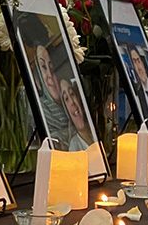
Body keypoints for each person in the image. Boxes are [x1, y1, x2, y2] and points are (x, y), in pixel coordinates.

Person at [17, 14, 71, 146]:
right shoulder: (34, 108)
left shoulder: (69, 101)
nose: (49, 76)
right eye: (43, 68)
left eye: (51, 67)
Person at [58, 77, 95, 151]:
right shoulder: (74, 146)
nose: (72, 102)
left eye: (72, 94)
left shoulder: (97, 128)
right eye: (66, 99)